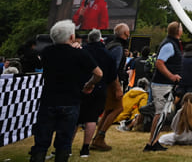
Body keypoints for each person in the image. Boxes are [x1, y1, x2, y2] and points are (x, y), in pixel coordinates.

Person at [29, 20, 103, 162]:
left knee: (41, 142)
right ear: (71, 37)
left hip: (48, 100)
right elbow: (99, 73)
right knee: (63, 143)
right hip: (70, 101)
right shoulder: (79, 54)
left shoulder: (46, 53)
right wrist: (89, 84)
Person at [90, 22, 131, 152]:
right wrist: (117, 87)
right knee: (118, 108)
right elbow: (114, 69)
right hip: (112, 83)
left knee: (108, 110)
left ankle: (97, 137)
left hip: (105, 82)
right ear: (125, 34)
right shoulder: (118, 48)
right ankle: (99, 137)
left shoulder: (111, 45)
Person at [78, 28, 117, 157]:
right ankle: (85, 148)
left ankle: (64, 147)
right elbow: (112, 75)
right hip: (99, 88)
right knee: (91, 118)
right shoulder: (108, 54)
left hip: (81, 87)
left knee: (75, 119)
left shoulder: (82, 51)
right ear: (101, 39)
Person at [149, 21, 185, 138]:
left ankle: (154, 140)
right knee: (160, 113)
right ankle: (152, 141)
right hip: (162, 84)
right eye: (181, 28)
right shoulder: (169, 45)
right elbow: (159, 63)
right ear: (178, 31)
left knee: (164, 113)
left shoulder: (172, 43)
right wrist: (171, 76)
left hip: (166, 84)